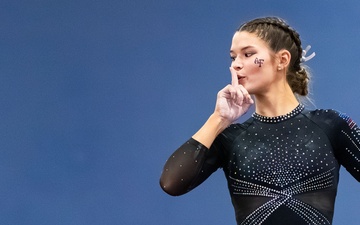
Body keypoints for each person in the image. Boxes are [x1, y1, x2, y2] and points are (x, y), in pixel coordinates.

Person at [159, 16, 360, 225]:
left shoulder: (331, 126)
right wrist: (218, 119)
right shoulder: (231, 138)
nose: (236, 65)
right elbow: (172, 183)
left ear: (282, 60)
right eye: (233, 57)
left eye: (248, 54)